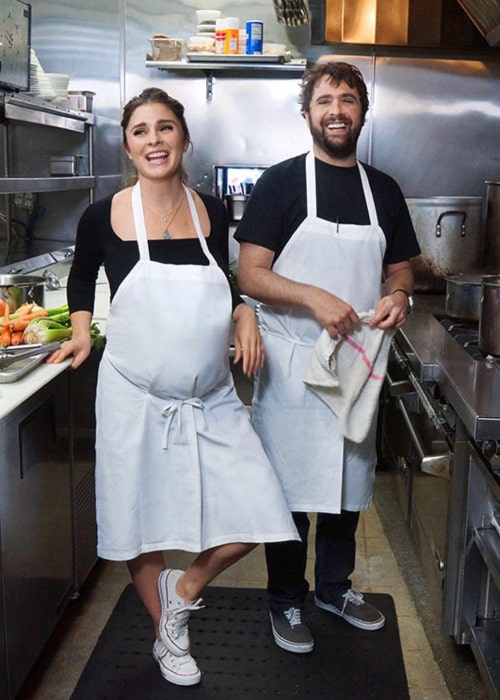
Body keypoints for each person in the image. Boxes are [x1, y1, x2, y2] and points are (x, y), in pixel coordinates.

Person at [48, 87, 299, 686]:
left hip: (210, 397)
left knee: (261, 515)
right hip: (134, 395)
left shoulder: (210, 211)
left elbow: (229, 287)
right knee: (141, 522)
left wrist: (243, 314)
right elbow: (82, 277)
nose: (154, 140)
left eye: (165, 128)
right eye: (140, 131)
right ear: (128, 146)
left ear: (184, 139)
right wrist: (82, 332)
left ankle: (182, 590)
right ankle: (170, 633)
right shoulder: (102, 214)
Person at [235, 60, 421, 654]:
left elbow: (401, 271)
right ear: (307, 112)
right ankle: (285, 600)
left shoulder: (384, 190)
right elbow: (250, 274)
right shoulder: (282, 183)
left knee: (347, 486)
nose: (336, 109)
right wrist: (312, 296)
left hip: (358, 366)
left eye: (347, 98)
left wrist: (398, 297)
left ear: (363, 111)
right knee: (290, 493)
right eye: (324, 100)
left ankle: (333, 589)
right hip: (293, 368)